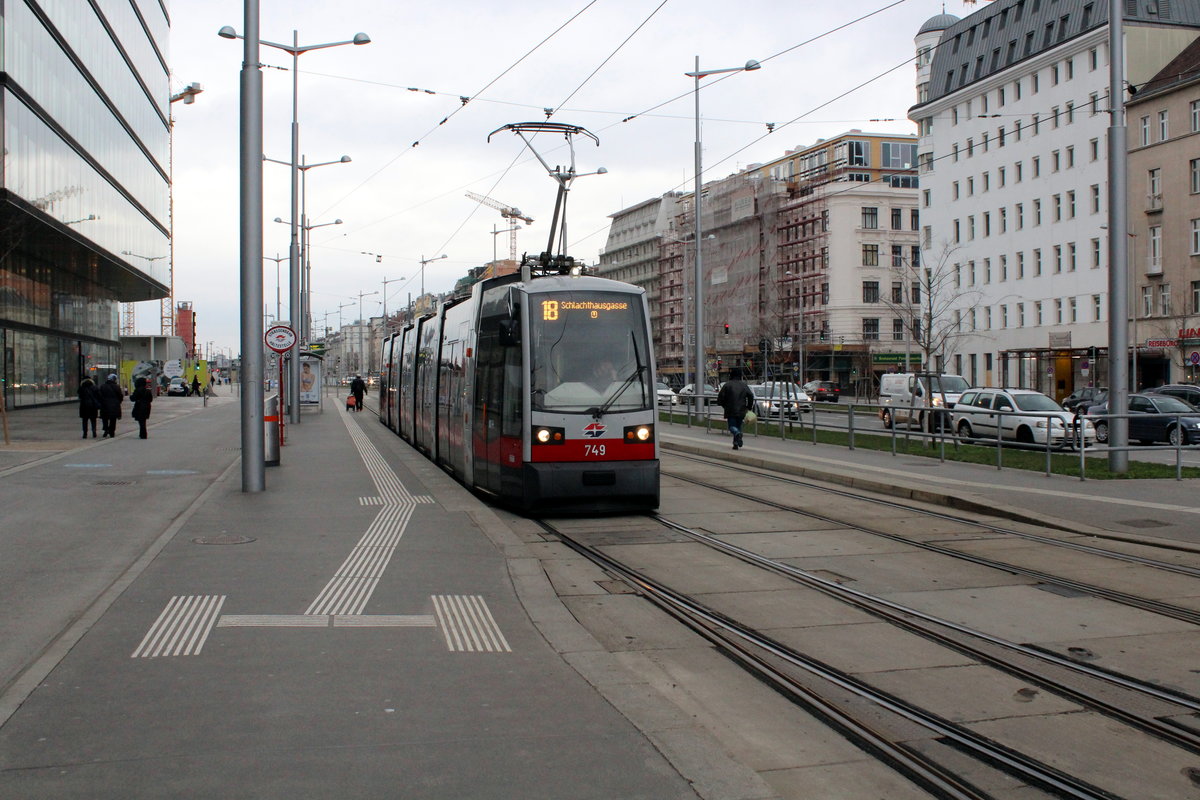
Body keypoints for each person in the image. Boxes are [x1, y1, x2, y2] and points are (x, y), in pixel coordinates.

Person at [717, 368, 755, 450]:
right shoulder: (744, 385)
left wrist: (723, 405)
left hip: (730, 409)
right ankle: (736, 443)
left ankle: (737, 434)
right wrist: (749, 407)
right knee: (739, 425)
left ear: (731, 375)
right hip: (742, 409)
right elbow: (751, 396)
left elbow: (720, 398)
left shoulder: (727, 385)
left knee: (732, 426)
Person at [97, 373, 124, 438]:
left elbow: (99, 396)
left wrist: (101, 402)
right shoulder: (117, 387)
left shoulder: (103, 386)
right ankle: (112, 431)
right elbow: (120, 396)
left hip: (104, 405)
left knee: (105, 418)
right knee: (113, 419)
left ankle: (106, 429)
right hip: (114, 405)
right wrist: (118, 402)